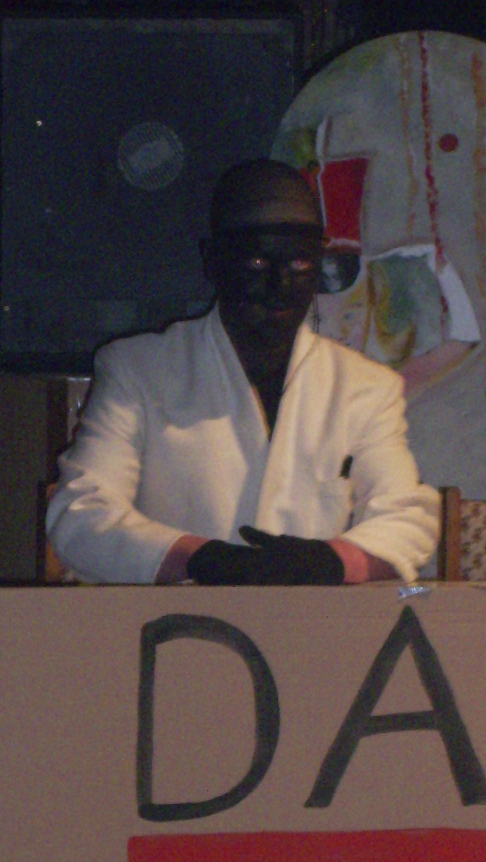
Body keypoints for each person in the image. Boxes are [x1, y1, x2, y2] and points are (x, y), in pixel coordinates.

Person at [45, 159, 439, 586]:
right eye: (255, 263)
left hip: (315, 623)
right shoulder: (137, 370)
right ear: (213, 261)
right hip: (170, 620)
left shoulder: (367, 387)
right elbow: (81, 515)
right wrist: (196, 558)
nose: (280, 285)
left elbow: (406, 517)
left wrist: (332, 561)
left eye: (300, 264)